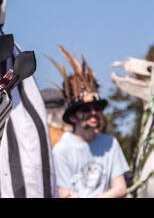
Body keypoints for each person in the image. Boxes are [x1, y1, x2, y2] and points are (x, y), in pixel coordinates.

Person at [47, 46, 129, 198]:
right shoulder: (61, 150)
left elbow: (120, 189)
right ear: (72, 117)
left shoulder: (110, 143)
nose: (93, 113)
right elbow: (65, 194)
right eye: (85, 110)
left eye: (96, 107)